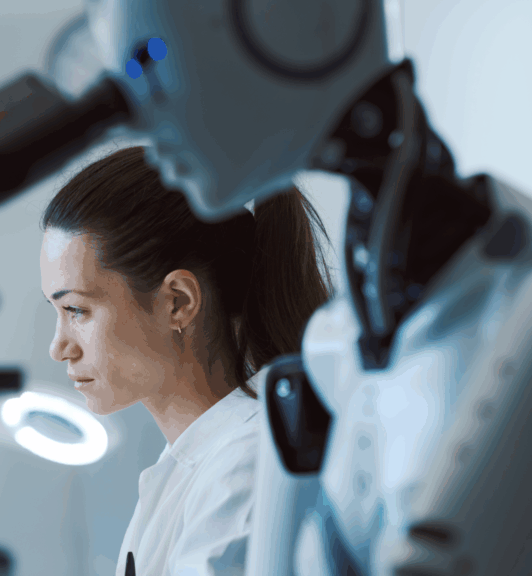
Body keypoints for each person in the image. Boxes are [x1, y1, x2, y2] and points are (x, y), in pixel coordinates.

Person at [38, 146, 334, 575]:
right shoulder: (191, 465)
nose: (59, 346)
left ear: (178, 302)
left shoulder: (243, 469)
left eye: (77, 311)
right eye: (56, 310)